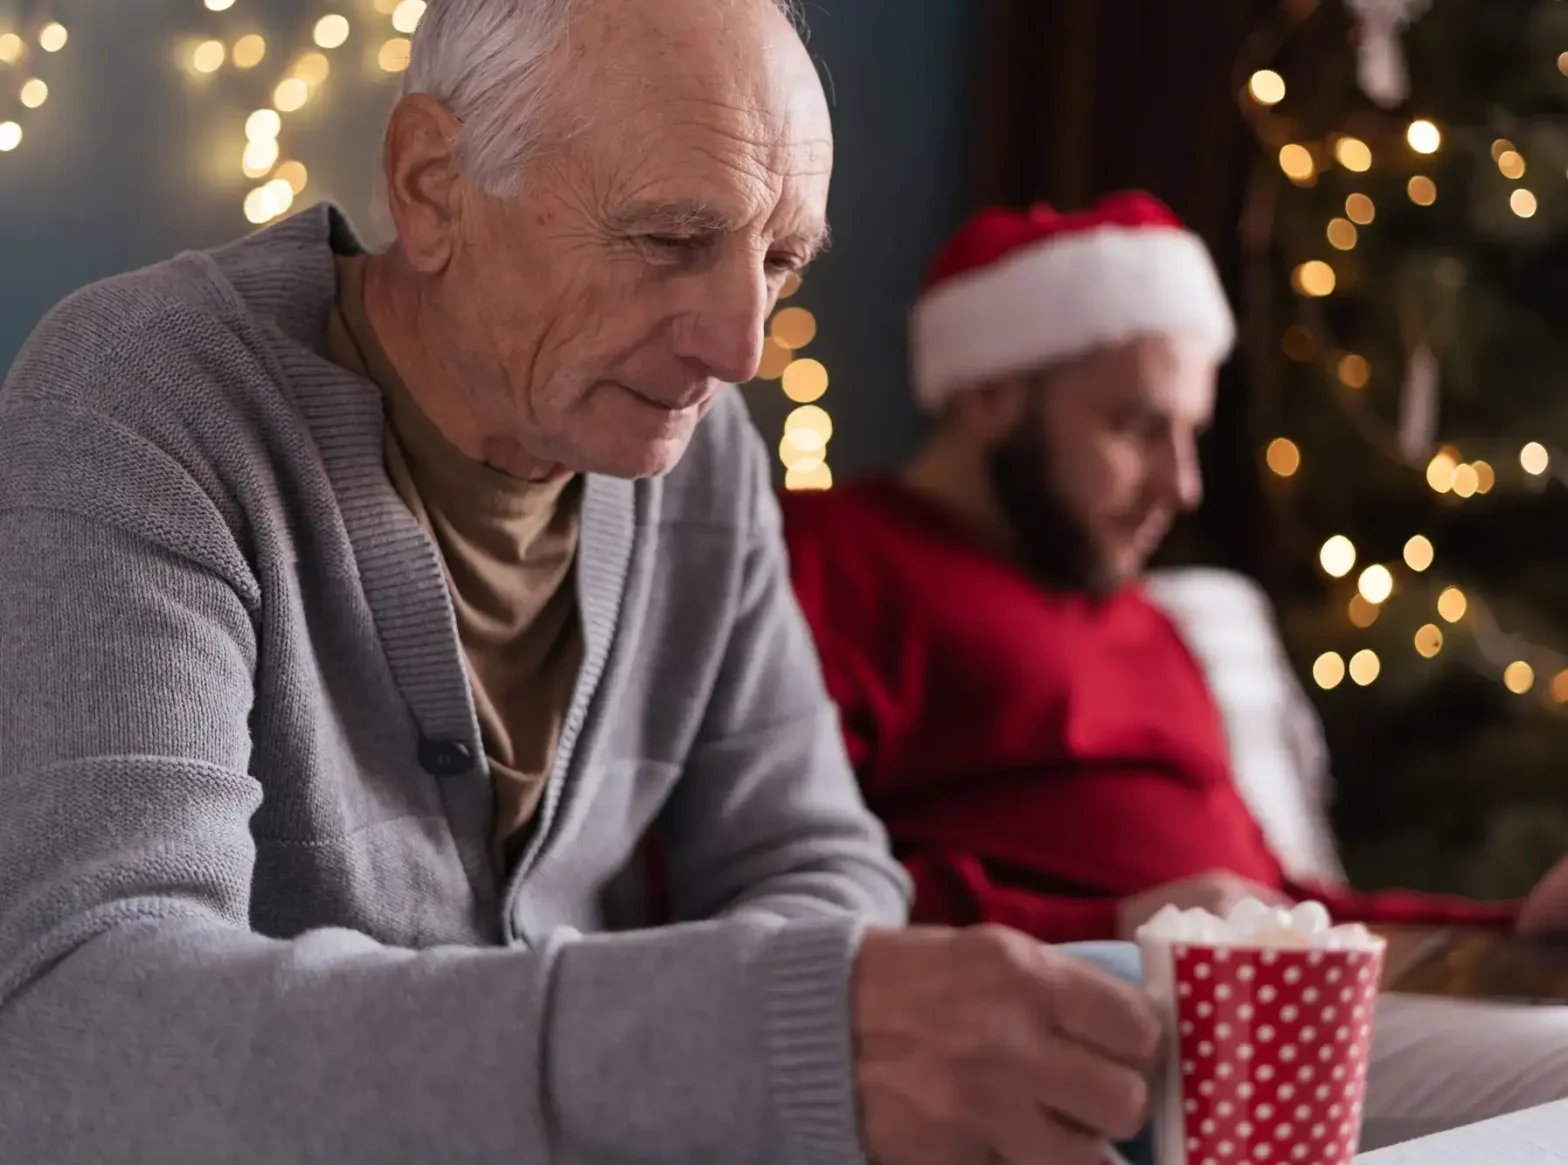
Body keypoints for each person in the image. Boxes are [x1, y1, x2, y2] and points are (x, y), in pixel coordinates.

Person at [0, 2, 1167, 1163]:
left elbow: (812, 859)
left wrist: (790, 1047)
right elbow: (74, 1013)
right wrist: (737, 1042)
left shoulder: (698, 456)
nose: (740, 349)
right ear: (432, 187)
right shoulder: (143, 397)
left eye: (778, 260)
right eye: (669, 240)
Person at [781, 190, 1568, 1151]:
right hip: (1108, 1011)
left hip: (1274, 997)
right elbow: (791, 881)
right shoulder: (830, 560)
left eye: (1190, 433)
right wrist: (1116, 918)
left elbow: (1274, 901)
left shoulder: (1146, 623)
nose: (1182, 485)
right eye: (1136, 427)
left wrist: (1507, 927)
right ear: (989, 391)